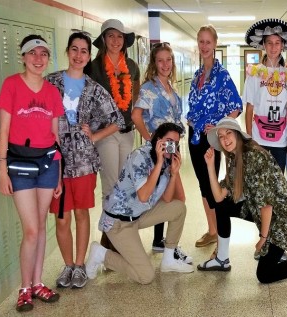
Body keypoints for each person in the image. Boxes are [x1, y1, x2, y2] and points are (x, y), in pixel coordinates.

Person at [196, 117, 287, 283]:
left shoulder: (254, 157)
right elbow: (219, 197)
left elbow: (267, 204)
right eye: (221, 136)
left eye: (229, 133)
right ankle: (222, 259)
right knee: (223, 206)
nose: (225, 139)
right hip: (259, 211)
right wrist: (210, 166)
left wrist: (262, 239)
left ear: (238, 135)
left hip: (282, 217)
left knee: (265, 274)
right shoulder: (234, 159)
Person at [45, 32, 125, 289]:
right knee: (61, 217)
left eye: (83, 51)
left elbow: (118, 120)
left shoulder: (94, 89)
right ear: (67, 51)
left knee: (81, 213)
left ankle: (79, 266)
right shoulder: (51, 83)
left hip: (83, 162)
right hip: (55, 160)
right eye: (74, 49)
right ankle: (67, 265)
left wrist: (96, 135)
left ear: (88, 56)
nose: (79, 55)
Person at [0, 35, 64, 312]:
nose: (38, 59)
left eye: (43, 54)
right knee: (32, 230)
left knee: (40, 226)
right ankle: (24, 288)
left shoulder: (52, 92)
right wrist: (2, 169)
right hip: (20, 165)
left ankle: (38, 283)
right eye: (32, 53)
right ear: (23, 57)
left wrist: (58, 174)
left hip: (48, 163)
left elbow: (55, 135)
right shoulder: (12, 85)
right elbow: (4, 131)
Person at [85, 123, 194, 284]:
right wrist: (158, 164)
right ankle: (101, 254)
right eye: (168, 141)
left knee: (178, 208)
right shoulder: (140, 157)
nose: (172, 146)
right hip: (118, 222)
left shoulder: (166, 160)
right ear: (158, 139)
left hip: (138, 215)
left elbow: (168, 199)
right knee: (146, 276)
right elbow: (143, 196)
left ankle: (169, 259)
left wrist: (173, 174)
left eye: (176, 143)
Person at [187, 25, 243, 250]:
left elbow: (236, 106)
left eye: (208, 42)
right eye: (201, 41)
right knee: (202, 184)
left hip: (211, 136)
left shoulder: (222, 75)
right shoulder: (198, 75)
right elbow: (192, 106)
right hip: (194, 136)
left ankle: (220, 235)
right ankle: (211, 230)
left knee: (211, 183)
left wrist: (220, 127)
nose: (204, 46)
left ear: (215, 44)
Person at [89, 19, 141, 252]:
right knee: (110, 187)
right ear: (103, 40)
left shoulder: (131, 65)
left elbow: (135, 101)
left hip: (127, 133)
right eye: (111, 36)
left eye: (119, 36)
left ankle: (119, 236)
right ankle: (108, 239)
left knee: (123, 186)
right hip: (106, 134)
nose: (116, 41)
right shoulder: (94, 67)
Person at [132, 42, 185, 252]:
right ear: (154, 63)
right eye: (160, 60)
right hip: (162, 151)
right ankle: (165, 244)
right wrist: (151, 138)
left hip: (174, 149)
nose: (165, 64)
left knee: (169, 195)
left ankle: (160, 242)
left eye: (168, 60)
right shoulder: (149, 88)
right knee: (175, 197)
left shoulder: (170, 87)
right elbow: (136, 116)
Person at [243, 18, 287, 173]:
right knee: (258, 183)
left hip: (280, 140)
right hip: (258, 138)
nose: (273, 47)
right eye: (269, 42)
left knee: (277, 183)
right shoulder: (255, 74)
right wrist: (249, 140)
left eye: (277, 42)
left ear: (282, 46)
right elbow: (249, 108)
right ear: (263, 45)